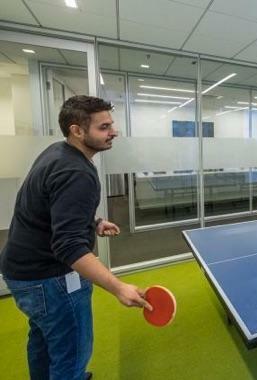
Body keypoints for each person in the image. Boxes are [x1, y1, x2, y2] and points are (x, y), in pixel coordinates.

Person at [0, 95, 151, 380]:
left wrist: (90, 222)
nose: (114, 132)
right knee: (70, 356)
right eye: (104, 127)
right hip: (50, 280)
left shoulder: (57, 152)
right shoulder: (76, 171)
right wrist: (118, 287)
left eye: (112, 125)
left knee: (44, 342)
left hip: (21, 273)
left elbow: (48, 207)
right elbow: (68, 246)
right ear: (77, 130)